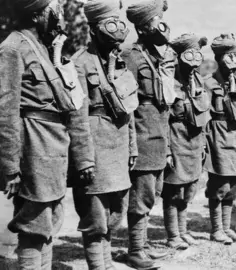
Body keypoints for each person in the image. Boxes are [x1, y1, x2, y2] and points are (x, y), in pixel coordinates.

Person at [0, 0, 94, 269]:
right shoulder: (12, 48)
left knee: (52, 218)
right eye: (54, 10)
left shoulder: (45, 47)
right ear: (38, 14)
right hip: (33, 143)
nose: (60, 15)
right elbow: (6, 112)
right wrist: (10, 165)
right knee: (34, 223)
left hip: (54, 144)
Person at [71, 0, 138, 269]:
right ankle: (99, 265)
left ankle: (107, 261)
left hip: (118, 144)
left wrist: (132, 146)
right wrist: (84, 158)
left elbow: (128, 108)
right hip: (95, 145)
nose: (116, 33)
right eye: (109, 25)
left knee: (116, 209)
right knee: (95, 213)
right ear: (93, 31)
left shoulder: (119, 63)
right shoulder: (79, 64)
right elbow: (77, 117)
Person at [122, 0, 173, 267]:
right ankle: (134, 250)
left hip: (158, 133)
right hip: (142, 133)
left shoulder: (154, 55)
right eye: (156, 21)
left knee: (152, 193)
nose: (162, 26)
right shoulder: (130, 55)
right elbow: (127, 101)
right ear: (143, 27)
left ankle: (140, 246)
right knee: (141, 196)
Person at [162, 33, 210, 249]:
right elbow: (163, 119)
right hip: (176, 139)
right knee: (173, 191)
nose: (193, 65)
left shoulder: (198, 81)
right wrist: (168, 150)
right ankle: (173, 235)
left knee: (189, 189)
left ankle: (183, 231)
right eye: (189, 56)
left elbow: (203, 115)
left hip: (194, 141)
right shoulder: (168, 81)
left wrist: (203, 144)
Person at [204, 33, 236, 244]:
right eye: (228, 57)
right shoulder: (207, 83)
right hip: (218, 135)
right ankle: (217, 229)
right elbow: (203, 115)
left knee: (235, 185)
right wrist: (205, 144)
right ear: (219, 59)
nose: (233, 62)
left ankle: (227, 227)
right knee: (219, 184)